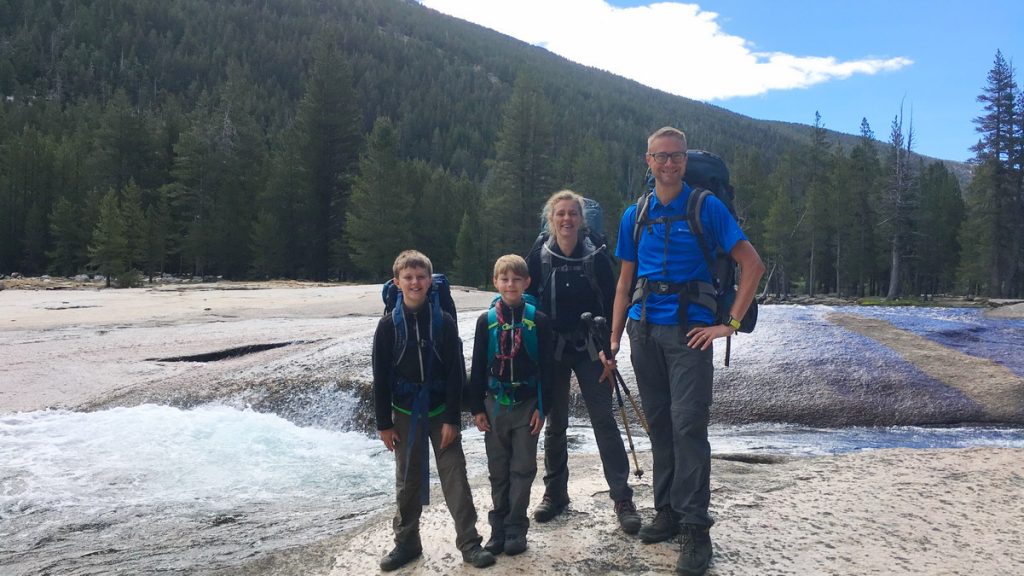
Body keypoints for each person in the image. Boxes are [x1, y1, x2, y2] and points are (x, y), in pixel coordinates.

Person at [607, 127, 765, 576]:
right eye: (661, 157)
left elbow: (752, 264)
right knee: (659, 423)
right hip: (643, 331)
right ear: (648, 160)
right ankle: (668, 512)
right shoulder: (635, 214)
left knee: (688, 426)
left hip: (690, 333)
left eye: (676, 157)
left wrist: (728, 324)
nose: (669, 164)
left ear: (684, 161)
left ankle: (696, 529)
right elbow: (623, 283)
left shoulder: (705, 206)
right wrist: (615, 338)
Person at [525, 190, 641, 534]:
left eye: (572, 213)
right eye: (560, 213)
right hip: (553, 349)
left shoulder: (597, 256)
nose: (566, 219)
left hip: (593, 348)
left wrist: (611, 351)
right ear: (551, 219)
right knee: (556, 422)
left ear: (581, 219)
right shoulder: (538, 255)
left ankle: (622, 497)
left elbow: (611, 303)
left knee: (604, 421)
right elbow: (527, 301)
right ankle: (555, 493)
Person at [373, 250, 495, 571]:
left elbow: (456, 373)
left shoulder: (443, 322)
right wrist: (383, 423)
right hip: (403, 413)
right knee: (408, 479)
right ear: (397, 281)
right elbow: (380, 377)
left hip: (441, 410)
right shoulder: (387, 327)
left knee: (455, 475)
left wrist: (454, 418)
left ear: (430, 280)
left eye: (420, 277)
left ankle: (470, 543)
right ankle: (407, 543)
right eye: (408, 277)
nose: (415, 282)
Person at [468, 254, 554, 557]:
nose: (510, 284)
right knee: (498, 470)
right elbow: (478, 367)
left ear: (527, 282)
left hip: (527, 405)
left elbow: (548, 370)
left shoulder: (538, 321)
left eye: (517, 279)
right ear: (495, 283)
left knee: (523, 468)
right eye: (504, 279)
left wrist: (543, 410)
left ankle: (517, 527)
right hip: (495, 406)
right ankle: (498, 528)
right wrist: (476, 407)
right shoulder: (486, 322)